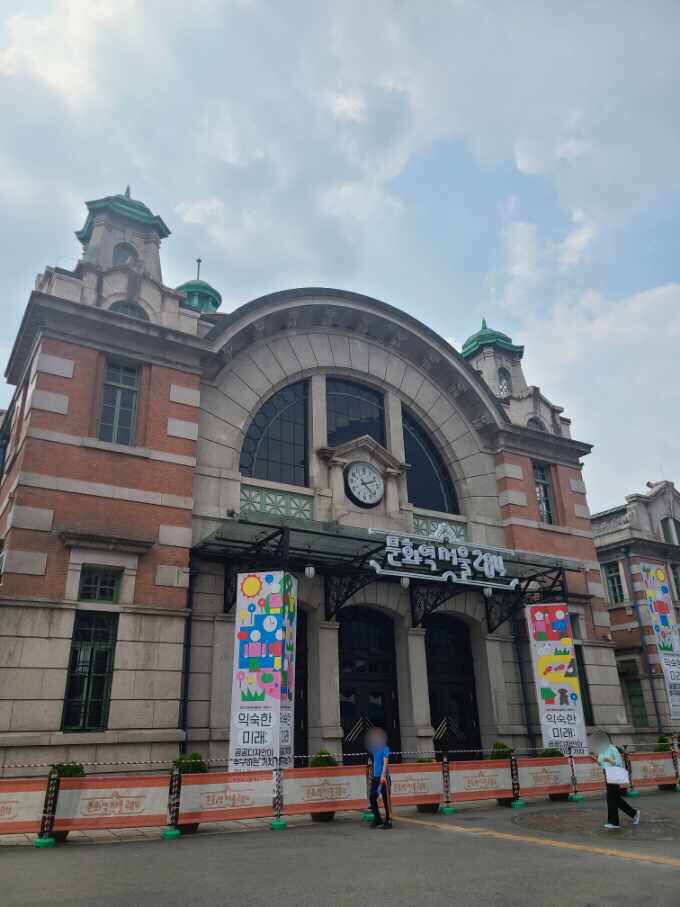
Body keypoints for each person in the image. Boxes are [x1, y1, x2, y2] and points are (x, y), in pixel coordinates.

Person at [590, 730, 640, 830]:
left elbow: (618, 763)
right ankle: (633, 813)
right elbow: (602, 764)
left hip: (613, 775)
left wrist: (609, 760)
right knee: (616, 799)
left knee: (611, 799)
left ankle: (614, 822)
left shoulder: (613, 749)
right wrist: (595, 759)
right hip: (607, 775)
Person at [365, 727, 392, 829]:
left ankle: (388, 820)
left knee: (386, 799)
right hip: (376, 778)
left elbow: (385, 763)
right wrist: (372, 776)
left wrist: (383, 776)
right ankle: (377, 819)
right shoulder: (374, 750)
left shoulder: (385, 748)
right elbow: (373, 763)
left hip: (384, 778)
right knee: (372, 797)